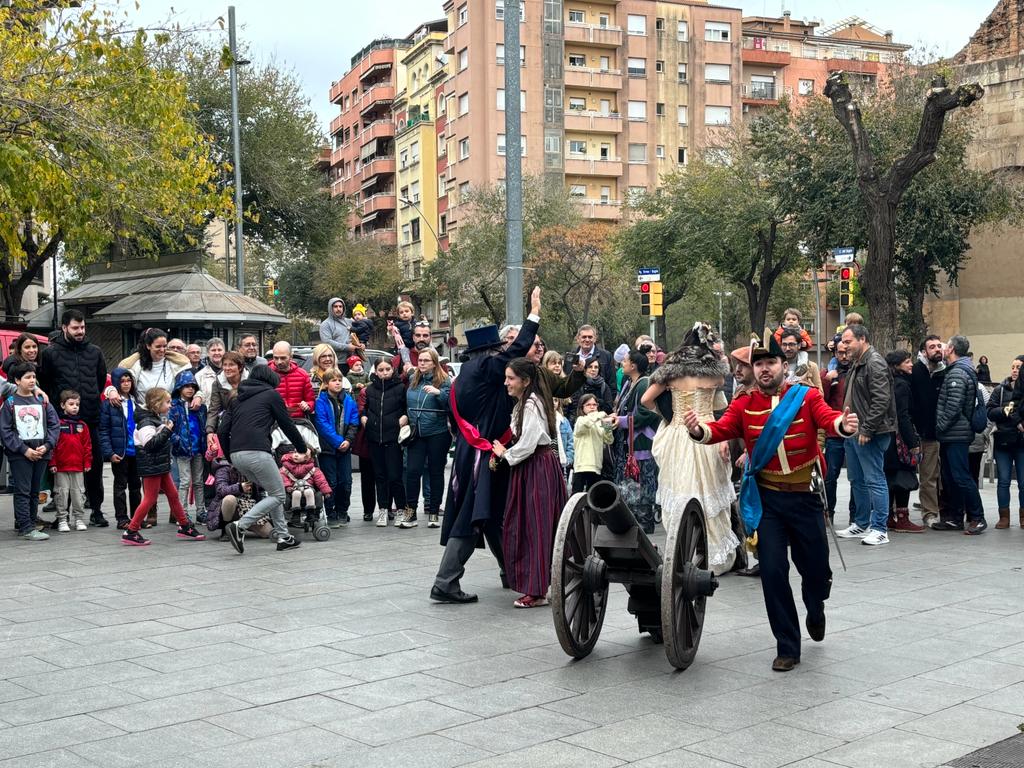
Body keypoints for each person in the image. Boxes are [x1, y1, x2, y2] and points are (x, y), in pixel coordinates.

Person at [682, 333, 859, 672]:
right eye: (759, 364)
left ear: (784, 365)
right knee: (774, 573)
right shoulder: (743, 404)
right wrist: (697, 430)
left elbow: (828, 419)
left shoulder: (805, 397)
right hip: (768, 503)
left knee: (816, 573)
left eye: (770, 363)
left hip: (805, 499)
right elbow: (718, 430)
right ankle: (788, 646)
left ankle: (816, 606)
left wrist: (843, 424)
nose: (764, 369)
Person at [431, 287, 542, 605]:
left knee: (491, 513)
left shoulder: (464, 375)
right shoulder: (485, 369)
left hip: (470, 451)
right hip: (485, 455)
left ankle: (510, 572)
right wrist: (533, 315)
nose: (500, 355)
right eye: (496, 349)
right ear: (489, 351)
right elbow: (518, 350)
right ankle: (445, 581)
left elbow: (455, 421)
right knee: (472, 515)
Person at [642, 323, 739, 574]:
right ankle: (715, 557)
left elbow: (645, 399)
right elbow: (720, 408)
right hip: (707, 433)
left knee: (681, 488)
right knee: (709, 489)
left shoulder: (670, 373)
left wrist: (668, 414)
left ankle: (683, 551)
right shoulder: (715, 376)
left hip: (677, 434)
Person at [491, 358, 567, 608]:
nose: (506, 383)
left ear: (525, 381)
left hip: (537, 468)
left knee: (536, 526)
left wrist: (504, 454)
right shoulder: (524, 403)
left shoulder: (532, 404)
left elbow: (529, 443)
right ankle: (539, 584)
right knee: (528, 524)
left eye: (510, 378)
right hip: (531, 468)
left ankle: (537, 590)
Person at [223, 365, 308, 554]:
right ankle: (240, 526)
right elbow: (287, 424)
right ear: (270, 379)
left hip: (237, 455)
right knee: (278, 494)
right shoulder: (271, 395)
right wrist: (302, 448)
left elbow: (222, 430)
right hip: (257, 452)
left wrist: (230, 456)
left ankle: (283, 536)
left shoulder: (236, 399)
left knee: (272, 491)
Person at [38, 309, 108, 527]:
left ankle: (96, 510)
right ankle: (64, 515)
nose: (80, 331)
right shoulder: (50, 353)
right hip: (62, 422)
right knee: (65, 469)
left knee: (94, 466)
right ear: (64, 327)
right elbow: (46, 383)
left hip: (90, 419)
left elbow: (99, 380)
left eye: (83, 327)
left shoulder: (95, 352)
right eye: (75, 328)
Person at [121, 387, 206, 546]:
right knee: (150, 498)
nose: (170, 405)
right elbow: (150, 444)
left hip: (159, 465)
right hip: (152, 466)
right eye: (167, 402)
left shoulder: (152, 417)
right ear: (156, 404)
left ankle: (185, 526)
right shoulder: (146, 422)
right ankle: (131, 531)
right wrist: (167, 430)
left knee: (173, 495)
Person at [836, 324, 896, 546]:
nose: (844, 345)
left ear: (862, 339)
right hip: (854, 431)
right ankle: (861, 524)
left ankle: (880, 529)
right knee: (857, 479)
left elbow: (882, 400)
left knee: (874, 479)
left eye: (848, 341)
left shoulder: (875, 363)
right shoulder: (857, 363)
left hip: (869, 432)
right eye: (843, 341)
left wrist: (867, 429)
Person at [1, 362, 60, 540]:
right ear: (17, 381)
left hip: (42, 453)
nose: (32, 380)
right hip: (21, 455)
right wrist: (24, 449)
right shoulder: (10, 403)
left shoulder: (42, 400)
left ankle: (30, 522)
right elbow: (5, 430)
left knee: (35, 491)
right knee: (23, 490)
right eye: (27, 377)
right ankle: (25, 527)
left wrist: (48, 445)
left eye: (34, 377)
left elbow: (54, 424)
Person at [934, 335, 987, 534]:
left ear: (952, 349)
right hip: (953, 433)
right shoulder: (961, 370)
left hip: (956, 434)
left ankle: (978, 517)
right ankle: (955, 518)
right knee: (951, 477)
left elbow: (953, 406)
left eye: (945, 345)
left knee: (961, 476)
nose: (943, 348)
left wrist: (940, 425)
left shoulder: (957, 373)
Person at [610, 351, 660, 534]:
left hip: (641, 443)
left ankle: (645, 522)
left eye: (625, 360)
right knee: (630, 484)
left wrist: (622, 420)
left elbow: (646, 413)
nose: (622, 363)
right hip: (627, 443)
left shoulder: (644, 383)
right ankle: (632, 521)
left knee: (644, 483)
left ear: (634, 366)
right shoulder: (629, 383)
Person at [404, 348, 452, 529]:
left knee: (435, 472)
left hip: (437, 433)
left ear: (434, 363)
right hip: (416, 433)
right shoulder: (412, 379)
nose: (422, 363)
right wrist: (404, 416)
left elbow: (450, 404)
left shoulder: (444, 380)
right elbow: (405, 401)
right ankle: (410, 512)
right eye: (420, 360)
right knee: (412, 471)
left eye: (426, 360)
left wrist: (439, 393)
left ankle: (433, 512)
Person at [361, 357, 409, 527]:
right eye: (380, 370)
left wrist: (404, 418)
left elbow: (405, 407)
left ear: (392, 369)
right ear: (375, 371)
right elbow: (365, 407)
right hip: (374, 438)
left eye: (387, 369)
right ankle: (382, 509)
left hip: (393, 438)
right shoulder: (370, 389)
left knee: (395, 476)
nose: (384, 373)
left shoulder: (400, 388)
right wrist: (364, 417)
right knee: (380, 477)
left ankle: (401, 510)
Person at [884, 350, 925, 533]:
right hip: (900, 438)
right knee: (903, 477)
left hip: (888, 437)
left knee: (890, 478)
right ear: (897, 365)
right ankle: (902, 519)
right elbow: (903, 415)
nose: (911, 365)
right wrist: (913, 442)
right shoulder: (901, 385)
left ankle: (888, 517)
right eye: (907, 362)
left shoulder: (888, 383)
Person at [910, 335, 947, 528]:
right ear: (924, 352)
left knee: (930, 477)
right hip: (914, 434)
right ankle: (895, 511)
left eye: (939, 346)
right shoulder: (915, 371)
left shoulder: (944, 372)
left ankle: (930, 513)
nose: (937, 349)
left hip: (934, 434)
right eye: (932, 347)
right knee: (905, 474)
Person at [314, 368, 358, 527]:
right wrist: (339, 441)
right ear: (326, 384)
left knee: (346, 482)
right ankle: (330, 511)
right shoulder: (320, 402)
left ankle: (342, 510)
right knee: (330, 482)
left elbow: (354, 422)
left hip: (345, 449)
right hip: (328, 450)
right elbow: (322, 424)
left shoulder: (349, 401)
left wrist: (348, 441)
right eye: (333, 380)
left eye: (339, 380)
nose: (337, 383)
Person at [112, 328, 200, 409]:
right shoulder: (135, 365)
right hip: (142, 416)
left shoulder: (176, 365)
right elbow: (119, 384)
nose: (162, 350)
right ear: (148, 346)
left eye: (165, 346)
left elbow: (196, 386)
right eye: (158, 346)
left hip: (171, 415)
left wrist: (198, 396)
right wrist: (111, 391)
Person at [100, 368, 142, 530]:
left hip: (136, 451)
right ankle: (122, 518)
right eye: (122, 381)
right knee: (120, 486)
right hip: (120, 451)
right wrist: (109, 452)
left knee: (136, 486)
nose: (126, 384)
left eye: (128, 380)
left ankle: (137, 517)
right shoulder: (109, 404)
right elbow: (104, 430)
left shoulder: (136, 401)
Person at [821, 338, 856, 525]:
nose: (843, 356)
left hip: (854, 431)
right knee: (830, 476)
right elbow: (822, 400)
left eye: (846, 352)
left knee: (856, 477)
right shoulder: (828, 374)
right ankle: (828, 513)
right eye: (840, 353)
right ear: (834, 354)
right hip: (834, 433)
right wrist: (827, 381)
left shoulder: (858, 372)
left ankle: (855, 516)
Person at [988, 355, 1024, 529]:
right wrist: (1005, 410)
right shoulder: (1000, 390)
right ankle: (1004, 517)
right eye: (1013, 367)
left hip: (1022, 442)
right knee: (1003, 480)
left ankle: (1023, 517)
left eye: (1019, 367)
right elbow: (990, 412)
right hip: (1003, 441)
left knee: (1023, 482)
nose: (1015, 370)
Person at [50, 390, 92, 532]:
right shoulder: (58, 424)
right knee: (61, 493)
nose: (75, 407)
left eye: (77, 404)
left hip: (78, 467)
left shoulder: (83, 426)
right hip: (61, 467)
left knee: (78, 494)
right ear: (63, 405)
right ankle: (62, 519)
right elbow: (53, 445)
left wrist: (87, 463)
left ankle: (79, 518)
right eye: (71, 404)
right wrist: (53, 463)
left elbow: (87, 446)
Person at [168, 371, 207, 524]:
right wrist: (176, 441)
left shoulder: (200, 406)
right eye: (186, 386)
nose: (190, 389)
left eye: (192, 386)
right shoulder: (173, 406)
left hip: (198, 448)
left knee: (198, 481)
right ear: (179, 388)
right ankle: (182, 513)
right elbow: (168, 428)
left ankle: (200, 511)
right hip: (182, 449)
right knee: (184, 481)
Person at [571, 393, 614, 494]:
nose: (592, 407)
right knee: (576, 496)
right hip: (581, 466)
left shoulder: (599, 421)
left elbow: (609, 440)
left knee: (593, 497)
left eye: (594, 405)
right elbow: (586, 423)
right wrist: (600, 414)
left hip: (596, 466)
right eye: (588, 405)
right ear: (582, 407)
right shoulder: (580, 420)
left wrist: (607, 424)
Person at [270, 341, 315, 420]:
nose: (279, 362)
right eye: (276, 358)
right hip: (274, 422)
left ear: (291, 356)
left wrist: (307, 405)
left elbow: (311, 400)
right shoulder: (267, 375)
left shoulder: (302, 375)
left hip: (299, 422)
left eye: (283, 358)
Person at [573, 324, 617, 396]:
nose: (587, 340)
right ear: (578, 339)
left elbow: (612, 385)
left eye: (590, 337)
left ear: (595, 339)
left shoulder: (606, 356)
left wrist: (606, 405)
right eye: (584, 337)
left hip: (598, 404)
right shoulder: (571, 357)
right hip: (575, 404)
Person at [779, 326, 822, 392]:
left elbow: (820, 394)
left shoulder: (812, 367)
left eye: (791, 344)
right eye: (784, 344)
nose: (787, 348)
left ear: (799, 345)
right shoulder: (775, 366)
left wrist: (806, 386)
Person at [194, 338, 226, 404]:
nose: (217, 353)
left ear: (224, 352)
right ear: (208, 353)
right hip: (209, 413)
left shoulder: (232, 372)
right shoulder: (199, 375)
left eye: (219, 350)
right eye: (213, 350)